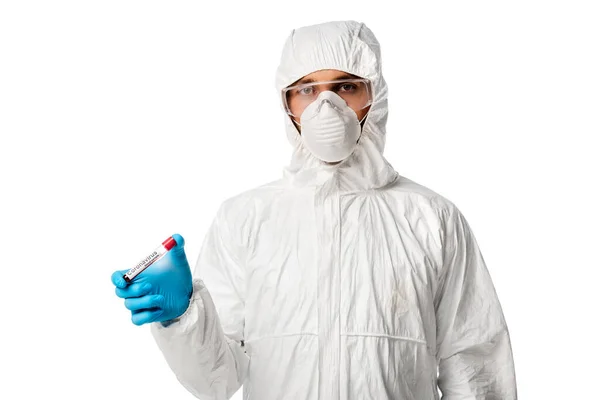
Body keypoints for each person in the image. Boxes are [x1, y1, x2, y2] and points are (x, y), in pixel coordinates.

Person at [111, 20, 518, 400]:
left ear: (374, 95)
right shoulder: (246, 218)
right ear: (287, 102)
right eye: (306, 89)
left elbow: (475, 363)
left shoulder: (431, 218)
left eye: (345, 87)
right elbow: (216, 380)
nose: (326, 106)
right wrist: (183, 318)